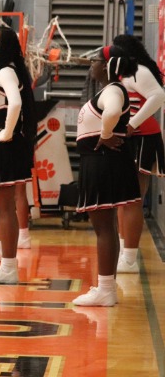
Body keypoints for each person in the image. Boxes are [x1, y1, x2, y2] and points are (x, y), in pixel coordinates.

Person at [72, 46, 141, 306]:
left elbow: (111, 112)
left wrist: (105, 134)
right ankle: (107, 289)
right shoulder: (111, 89)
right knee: (107, 227)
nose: (92, 64)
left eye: (96, 60)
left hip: (102, 162)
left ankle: (105, 289)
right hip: (102, 161)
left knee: (103, 228)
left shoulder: (112, 90)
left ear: (107, 65)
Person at [0, 26, 36, 284]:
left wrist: (6, 132)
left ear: (6, 45)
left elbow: (16, 103)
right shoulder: (9, 69)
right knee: (2, 208)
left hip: (3, 143)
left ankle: (9, 268)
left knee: (3, 208)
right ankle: (5, 257)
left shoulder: (5, 71)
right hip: (5, 143)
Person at [112, 34, 165, 274]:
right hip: (128, 139)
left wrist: (132, 123)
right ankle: (124, 252)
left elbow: (159, 96)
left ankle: (130, 259)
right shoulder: (123, 73)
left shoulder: (139, 71)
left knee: (133, 199)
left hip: (142, 138)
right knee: (122, 199)